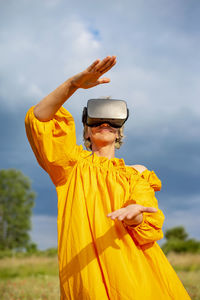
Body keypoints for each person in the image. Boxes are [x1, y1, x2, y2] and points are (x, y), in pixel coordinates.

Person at [25, 56, 191, 300]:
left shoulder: (137, 173)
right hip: (87, 278)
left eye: (113, 121)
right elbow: (38, 119)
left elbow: (150, 229)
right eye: (97, 119)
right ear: (87, 131)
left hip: (135, 277)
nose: (104, 123)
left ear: (119, 132)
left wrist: (136, 216)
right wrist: (73, 84)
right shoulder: (70, 166)